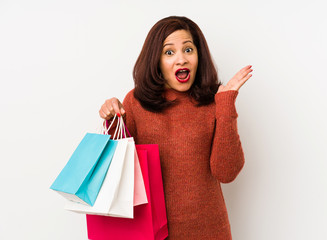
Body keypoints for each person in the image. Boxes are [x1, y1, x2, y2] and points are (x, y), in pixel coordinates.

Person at [98, 16, 253, 239]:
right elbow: (118, 171)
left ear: (199, 55)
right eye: (169, 52)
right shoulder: (136, 102)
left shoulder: (214, 101)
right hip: (149, 231)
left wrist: (226, 104)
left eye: (188, 50)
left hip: (209, 231)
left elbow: (226, 173)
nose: (181, 59)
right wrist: (113, 121)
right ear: (157, 60)